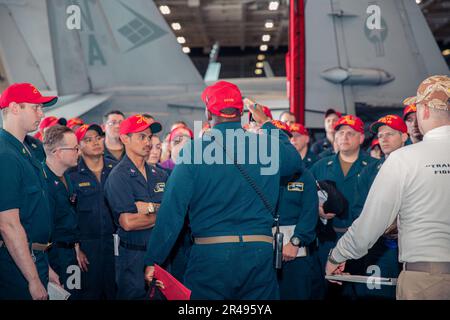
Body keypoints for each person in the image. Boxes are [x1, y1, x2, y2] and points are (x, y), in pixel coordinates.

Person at [143, 81, 303, 300]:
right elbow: (295, 162)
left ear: (209, 113)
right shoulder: (266, 146)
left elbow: (172, 211)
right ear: (242, 112)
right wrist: (266, 123)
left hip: (211, 257)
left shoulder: (194, 151)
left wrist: (154, 258)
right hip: (258, 255)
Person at [326, 75, 450, 300]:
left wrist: (338, 255)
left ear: (424, 111)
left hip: (426, 279)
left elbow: (370, 224)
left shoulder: (404, 159)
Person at [0, 83, 59, 300]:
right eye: (35, 108)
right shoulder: (5, 155)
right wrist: (33, 279)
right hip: (16, 267)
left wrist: (44, 267)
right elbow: (8, 225)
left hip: (36, 258)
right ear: (15, 108)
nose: (41, 113)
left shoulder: (27, 150)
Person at [311, 115, 375, 298]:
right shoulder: (320, 166)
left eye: (350, 133)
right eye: (340, 132)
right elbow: (305, 198)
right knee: (327, 290)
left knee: (359, 292)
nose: (344, 137)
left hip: (362, 240)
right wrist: (317, 209)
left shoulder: (373, 167)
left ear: (361, 138)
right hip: (328, 238)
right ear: (335, 136)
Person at [104, 114, 165, 300]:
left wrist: (147, 208)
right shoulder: (118, 176)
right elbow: (128, 222)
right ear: (125, 139)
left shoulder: (159, 174)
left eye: (149, 137)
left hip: (160, 256)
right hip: (133, 257)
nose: (147, 142)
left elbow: (174, 213)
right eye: (141, 136)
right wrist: (161, 210)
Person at [352, 115, 408, 299]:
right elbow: (360, 209)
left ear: (404, 136)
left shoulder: (416, 165)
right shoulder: (369, 170)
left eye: (390, 134)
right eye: (381, 135)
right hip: (380, 246)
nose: (383, 138)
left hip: (413, 247)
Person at [273, 122, 323, 300]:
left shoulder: (304, 174)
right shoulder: (259, 172)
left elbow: (310, 212)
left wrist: (295, 241)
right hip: (263, 249)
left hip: (296, 250)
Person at [68, 124, 117, 299]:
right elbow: (69, 215)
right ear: (79, 147)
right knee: (90, 294)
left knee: (116, 292)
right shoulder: (72, 175)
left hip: (116, 244)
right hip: (87, 247)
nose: (95, 142)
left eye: (98, 137)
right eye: (88, 140)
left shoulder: (117, 170)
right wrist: (76, 247)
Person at [43, 125, 88, 299]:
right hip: (53, 257)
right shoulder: (42, 182)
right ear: (58, 152)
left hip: (70, 253)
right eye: (75, 148)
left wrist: (76, 247)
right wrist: (46, 268)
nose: (79, 151)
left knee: (74, 295)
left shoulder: (67, 176)